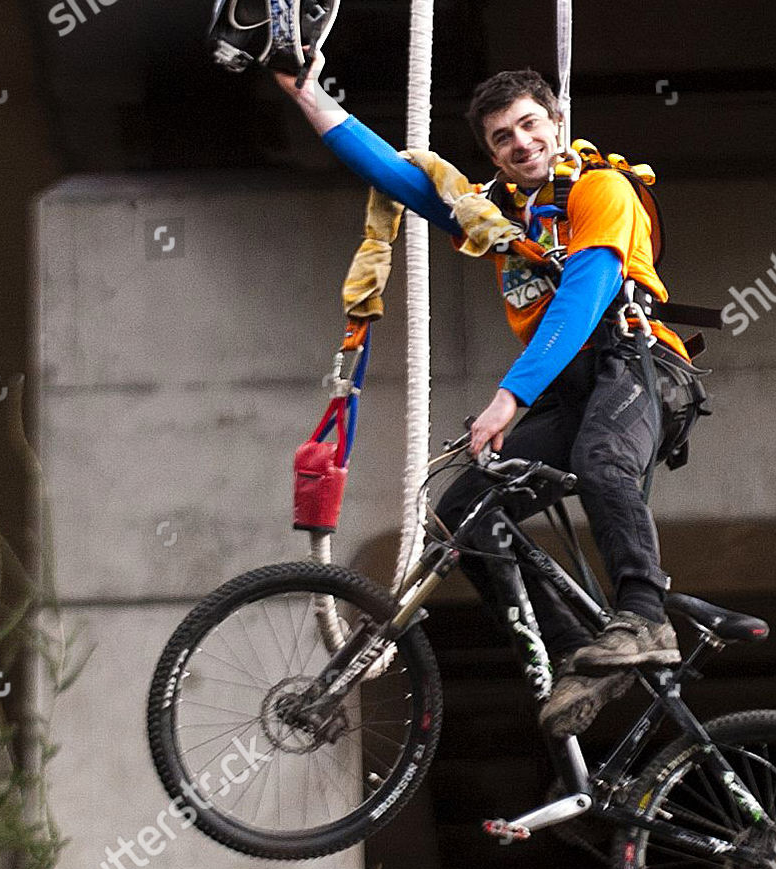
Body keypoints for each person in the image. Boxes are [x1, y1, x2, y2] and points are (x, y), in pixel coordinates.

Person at [274, 63, 685, 739]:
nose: (521, 144)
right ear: (491, 154)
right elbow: (395, 176)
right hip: (571, 390)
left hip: (638, 366)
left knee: (602, 456)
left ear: (556, 123)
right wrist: (309, 94)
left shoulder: (600, 188)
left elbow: (583, 299)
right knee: (465, 514)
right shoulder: (495, 218)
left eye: (530, 125)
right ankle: (574, 653)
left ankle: (644, 616)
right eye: (502, 138)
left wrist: (508, 399)